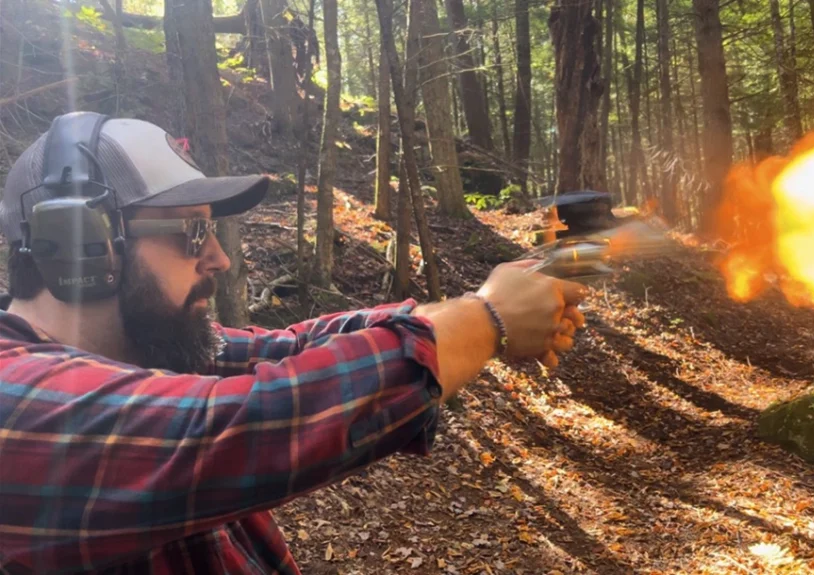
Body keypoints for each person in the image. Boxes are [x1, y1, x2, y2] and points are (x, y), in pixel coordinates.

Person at [0, 112, 587, 574]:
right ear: (82, 245)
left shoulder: (144, 346)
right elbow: (242, 424)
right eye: (193, 233)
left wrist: (499, 296)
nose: (220, 259)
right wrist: (488, 321)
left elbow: (292, 345)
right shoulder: (15, 400)